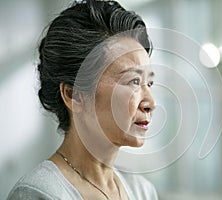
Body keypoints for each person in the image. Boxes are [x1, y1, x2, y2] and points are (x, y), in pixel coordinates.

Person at [7, 0, 158, 199]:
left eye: (149, 83)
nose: (151, 103)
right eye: (133, 81)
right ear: (73, 95)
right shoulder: (39, 193)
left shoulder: (143, 191)